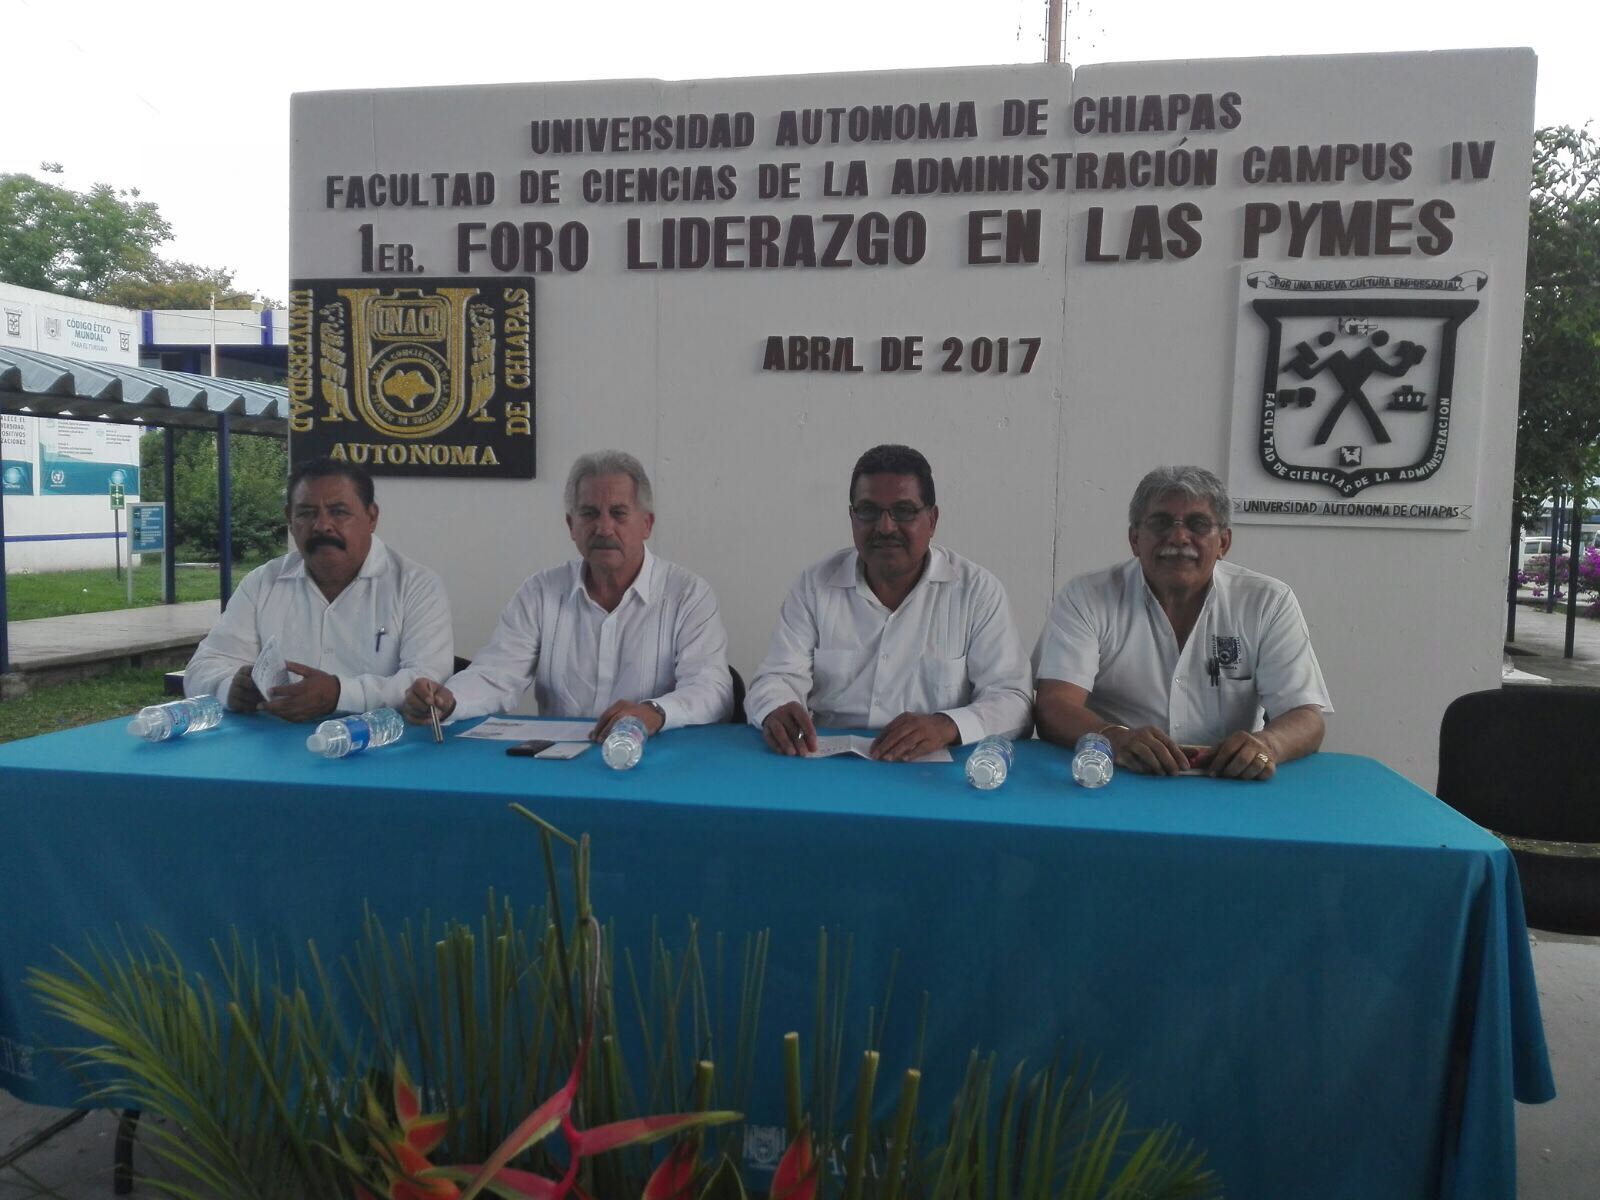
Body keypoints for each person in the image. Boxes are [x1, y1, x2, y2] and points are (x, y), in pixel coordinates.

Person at [402, 450, 732, 738]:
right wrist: (449, 701)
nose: (604, 528)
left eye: (618, 513)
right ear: (571, 526)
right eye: (589, 514)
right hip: (559, 763)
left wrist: (656, 712)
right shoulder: (540, 592)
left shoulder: (687, 594)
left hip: (651, 755)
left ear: (647, 524)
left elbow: (712, 689)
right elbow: (497, 675)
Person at [1034, 465, 1331, 780]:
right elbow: (1054, 705)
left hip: (1228, 782)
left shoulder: (1267, 601)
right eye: (1160, 523)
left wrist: (1267, 745)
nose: (1178, 537)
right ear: (1135, 539)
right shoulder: (1086, 596)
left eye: (1198, 524)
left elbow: (1306, 717)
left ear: (1224, 543)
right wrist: (1114, 737)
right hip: (1117, 776)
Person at [747, 443, 1032, 760]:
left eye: (904, 511)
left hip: (932, 770)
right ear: (852, 517)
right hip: (829, 765)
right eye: (868, 511)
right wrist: (776, 707)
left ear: (932, 519)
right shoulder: (814, 586)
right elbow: (776, 677)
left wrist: (947, 725)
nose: (885, 527)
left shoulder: (976, 592)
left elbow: (1014, 699)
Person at [184, 457, 454, 721]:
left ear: (371, 517)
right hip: (273, 743)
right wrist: (229, 687)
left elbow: (427, 681)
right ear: (290, 519)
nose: (322, 525)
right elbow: (203, 667)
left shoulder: (415, 586)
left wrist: (339, 694)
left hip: (381, 743)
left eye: (339, 512)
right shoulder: (262, 583)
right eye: (306, 513)